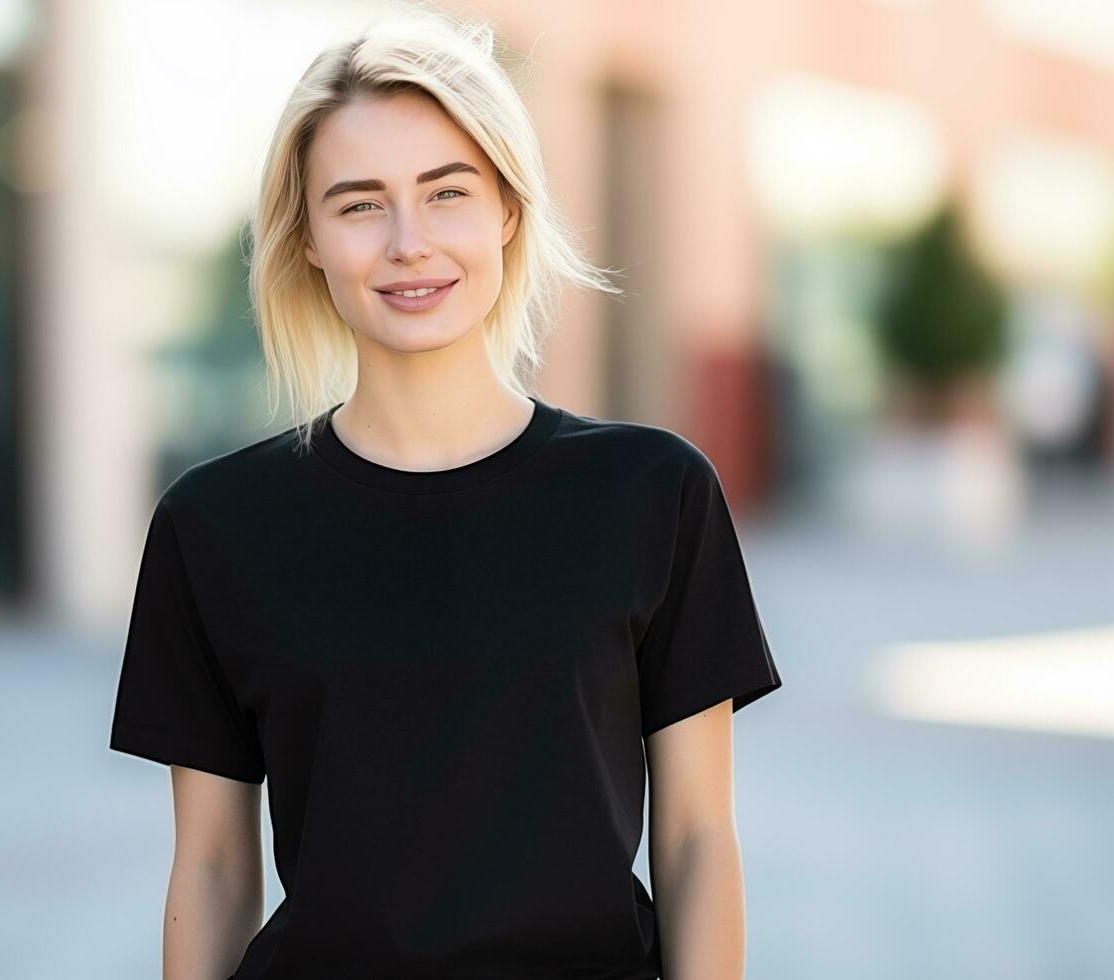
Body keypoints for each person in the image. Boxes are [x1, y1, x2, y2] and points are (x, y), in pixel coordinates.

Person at [108, 4, 783, 979]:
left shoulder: (652, 493)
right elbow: (212, 866)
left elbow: (694, 841)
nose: (408, 241)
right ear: (306, 239)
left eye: (446, 191)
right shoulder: (214, 525)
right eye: (358, 203)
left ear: (507, 210)